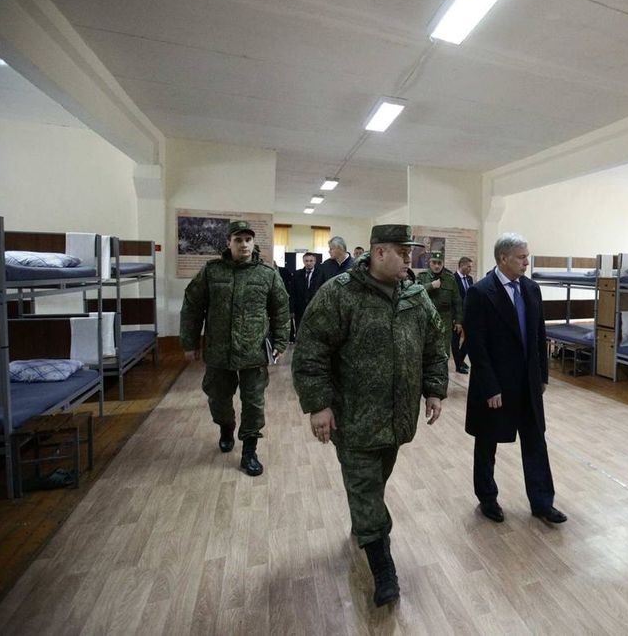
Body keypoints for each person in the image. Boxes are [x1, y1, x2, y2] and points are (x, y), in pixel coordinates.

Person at [293, 224, 448, 607]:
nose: (410, 259)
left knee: (374, 485)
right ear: (379, 253)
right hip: (354, 419)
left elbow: (434, 344)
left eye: (410, 252)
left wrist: (434, 389)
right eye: (403, 252)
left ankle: (364, 521)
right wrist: (318, 404)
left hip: (397, 419)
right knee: (365, 489)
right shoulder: (340, 293)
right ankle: (383, 568)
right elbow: (311, 350)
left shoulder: (415, 296)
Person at [463, 233, 565, 526]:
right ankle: (487, 498)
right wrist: (490, 387)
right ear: (503, 258)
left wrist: (542, 375)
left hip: (527, 383)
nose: (526, 262)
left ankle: (543, 502)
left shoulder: (531, 289)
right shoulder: (480, 293)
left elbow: (539, 335)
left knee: (535, 441)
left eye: (526, 256)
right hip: (495, 384)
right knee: (487, 443)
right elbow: (477, 345)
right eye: (521, 257)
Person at [180, 220, 290, 477]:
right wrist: (189, 342)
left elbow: (281, 310)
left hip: (253, 352)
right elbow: (192, 307)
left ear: (254, 242)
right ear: (228, 243)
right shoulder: (212, 272)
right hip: (219, 351)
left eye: (248, 240)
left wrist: (281, 342)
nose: (244, 245)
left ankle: (249, 450)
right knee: (218, 398)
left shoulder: (267, 274)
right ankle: (226, 427)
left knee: (253, 403)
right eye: (238, 240)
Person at [416, 251, 462, 360]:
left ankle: (443, 370)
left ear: (443, 263)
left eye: (439, 263)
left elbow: (457, 301)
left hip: (445, 319)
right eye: (434, 263)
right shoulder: (422, 277)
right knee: (425, 351)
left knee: (444, 352)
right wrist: (430, 286)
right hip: (426, 319)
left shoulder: (450, 279)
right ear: (429, 262)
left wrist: (459, 321)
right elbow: (415, 293)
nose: (437, 266)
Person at [451, 256, 474, 373]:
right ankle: (458, 365)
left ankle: (460, 359)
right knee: (455, 340)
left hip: (468, 314)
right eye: (468, 266)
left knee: (469, 338)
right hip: (457, 315)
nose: (470, 269)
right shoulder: (453, 278)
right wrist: (455, 317)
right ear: (461, 265)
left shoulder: (470, 279)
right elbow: (452, 299)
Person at [290, 252, 320, 336]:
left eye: (311, 261)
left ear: (315, 261)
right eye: (306, 261)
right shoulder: (296, 274)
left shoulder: (321, 274)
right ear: (303, 261)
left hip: (315, 308)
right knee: (300, 330)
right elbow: (292, 292)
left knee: (314, 331)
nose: (309, 263)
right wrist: (291, 309)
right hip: (299, 308)